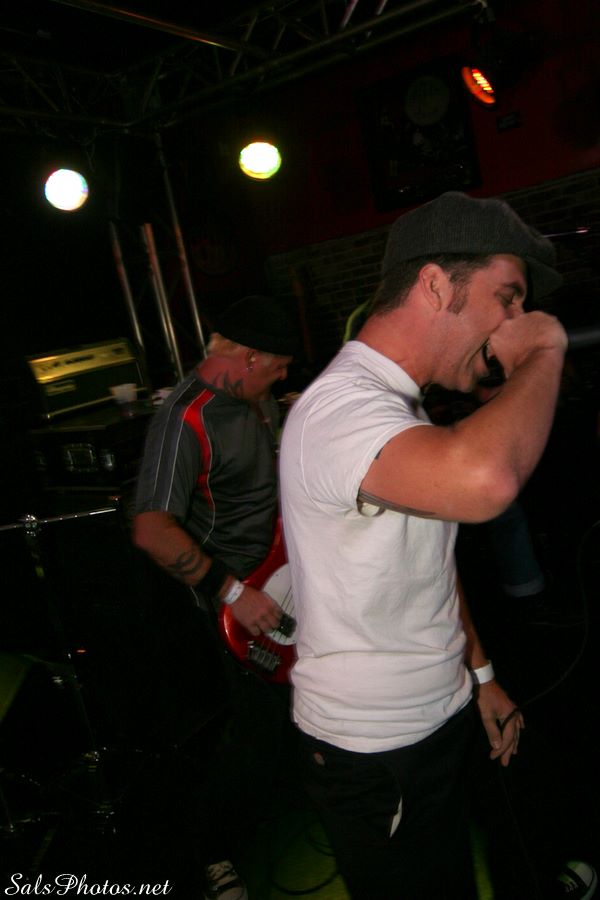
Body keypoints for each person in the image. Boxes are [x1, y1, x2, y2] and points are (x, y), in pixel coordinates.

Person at [279, 192, 595, 899]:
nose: (515, 321)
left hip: (438, 708)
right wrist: (544, 348)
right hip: (376, 747)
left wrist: (478, 674)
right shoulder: (341, 409)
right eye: (507, 298)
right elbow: (485, 481)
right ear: (434, 284)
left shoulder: (401, 404)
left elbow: (431, 564)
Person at [133, 294, 297, 900]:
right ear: (249, 357)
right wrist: (233, 592)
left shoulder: (254, 400)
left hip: (285, 579)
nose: (284, 375)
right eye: (278, 365)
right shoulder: (184, 417)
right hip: (235, 601)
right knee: (256, 732)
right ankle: (209, 854)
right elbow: (152, 529)